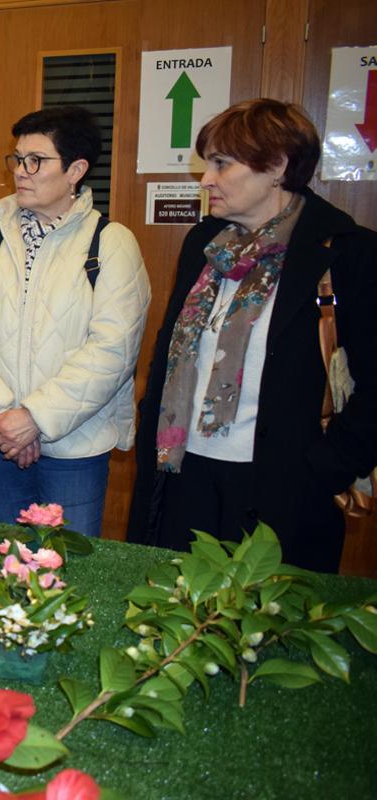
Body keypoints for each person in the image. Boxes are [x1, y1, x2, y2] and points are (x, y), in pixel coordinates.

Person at [129, 99, 377, 572]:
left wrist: (321, 469)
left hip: (282, 489)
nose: (206, 179)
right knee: (175, 620)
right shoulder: (205, 244)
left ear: (278, 166)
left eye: (222, 163)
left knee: (266, 635)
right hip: (182, 475)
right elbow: (170, 353)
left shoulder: (348, 255)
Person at [0, 106, 150, 537]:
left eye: (36, 160)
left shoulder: (110, 242)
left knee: (67, 570)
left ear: (76, 170)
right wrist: (5, 420)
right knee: (11, 563)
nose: (21, 171)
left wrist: (35, 417)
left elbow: (113, 350)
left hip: (76, 447)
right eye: (17, 159)